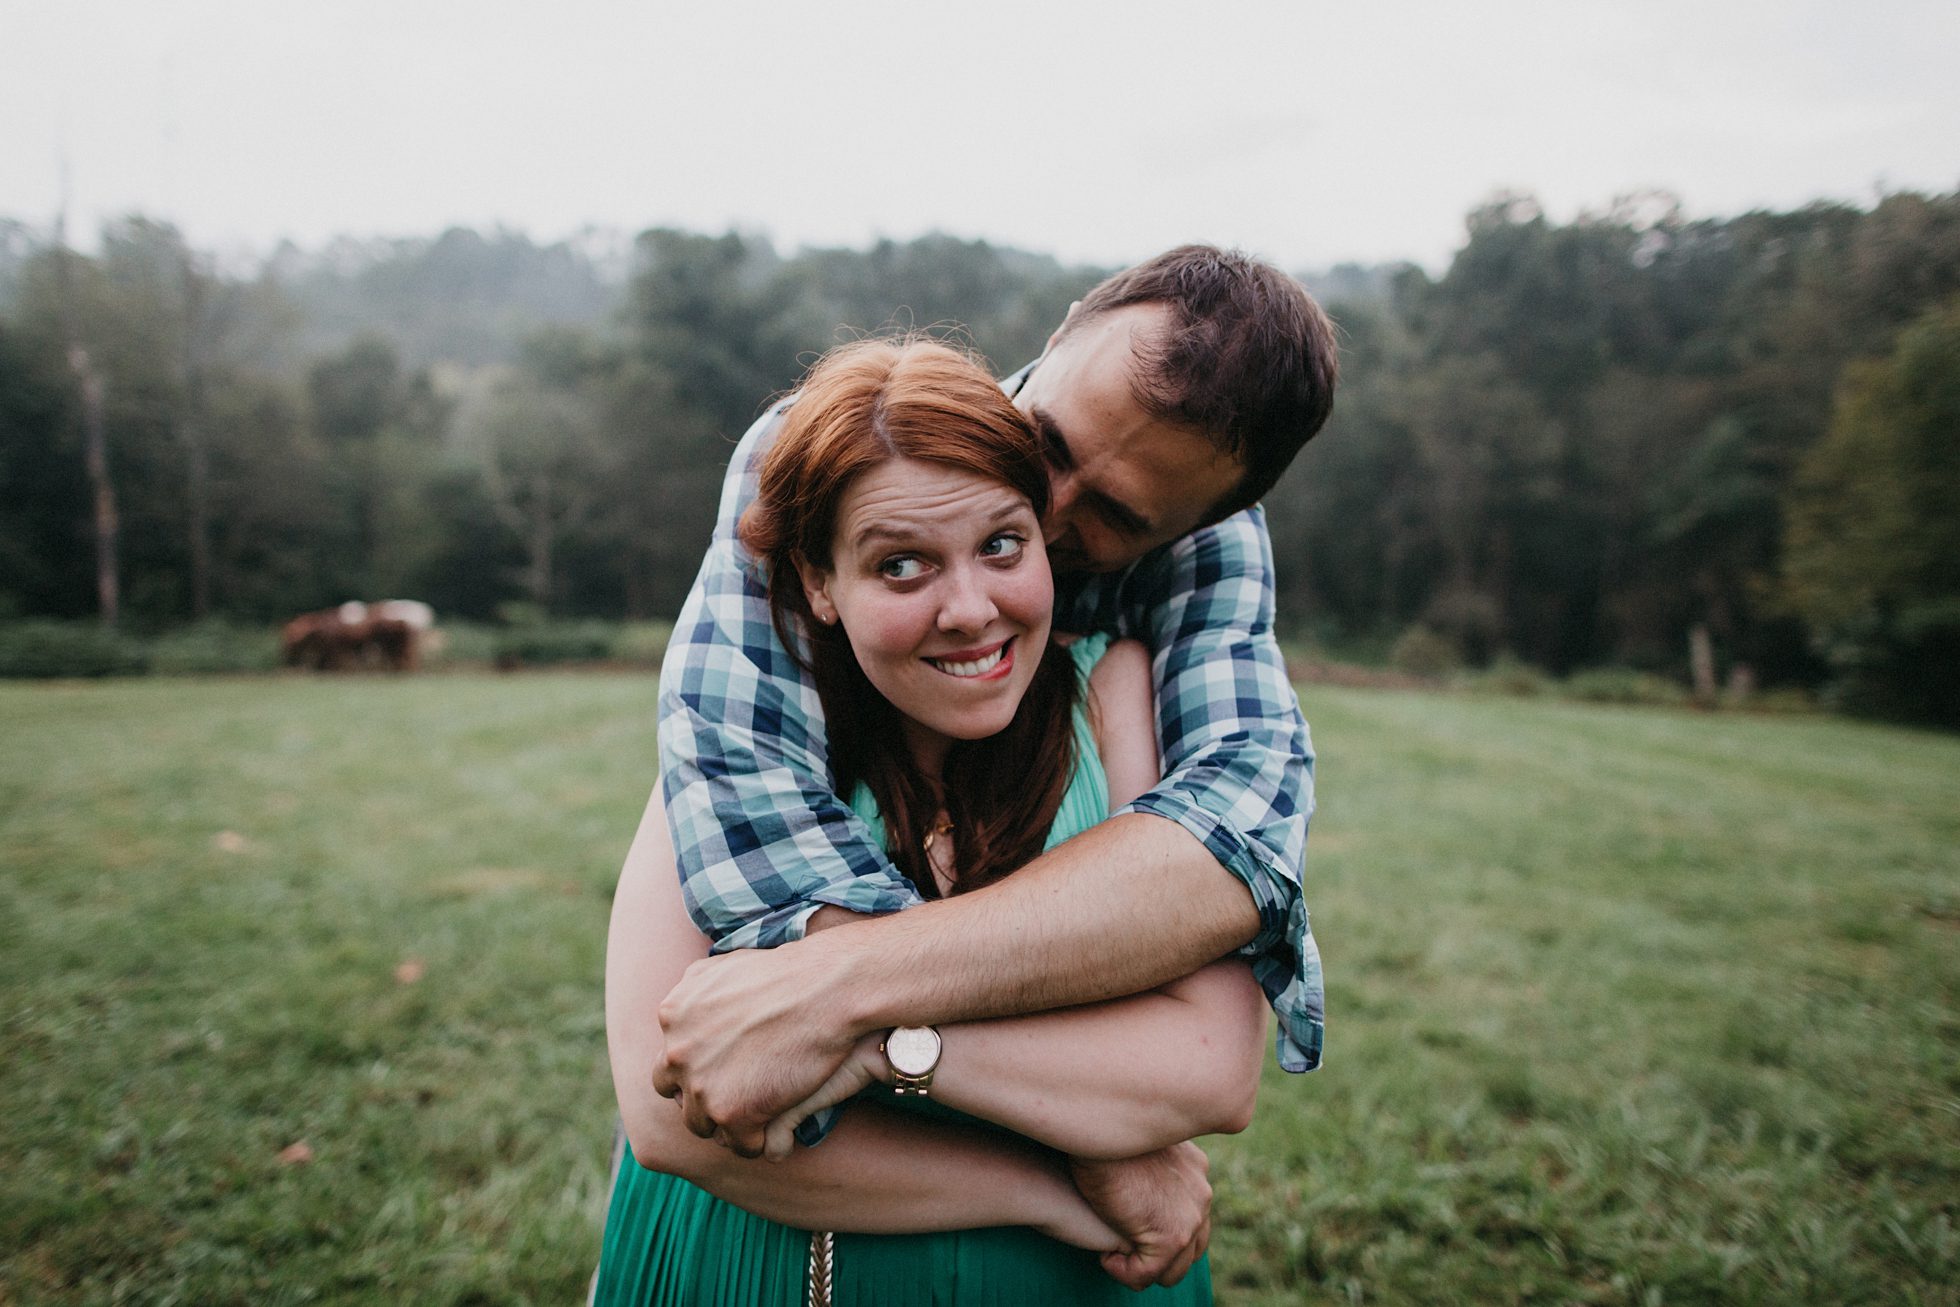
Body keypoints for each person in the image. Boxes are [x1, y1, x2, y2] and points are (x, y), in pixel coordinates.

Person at [636, 246, 1339, 1285]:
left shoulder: (1157, 629)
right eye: (1046, 440)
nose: (1046, 512)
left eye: (1113, 517)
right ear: (1056, 336)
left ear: (1201, 520)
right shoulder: (824, 457)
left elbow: (1232, 844)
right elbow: (755, 854)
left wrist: (851, 1014)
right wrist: (1089, 1139)